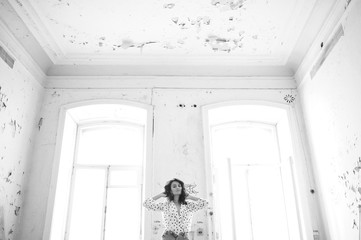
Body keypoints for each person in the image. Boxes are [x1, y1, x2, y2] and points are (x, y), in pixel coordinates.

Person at [143, 178, 208, 240]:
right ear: (170, 191)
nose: (177, 187)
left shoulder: (188, 205)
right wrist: (160, 195)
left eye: (179, 186)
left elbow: (205, 203)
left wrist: (191, 197)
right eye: (174, 186)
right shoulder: (165, 205)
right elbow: (146, 204)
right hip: (169, 236)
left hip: (184, 237)